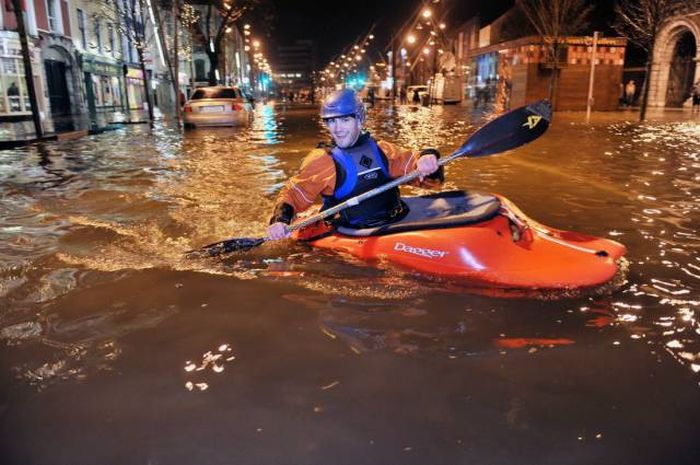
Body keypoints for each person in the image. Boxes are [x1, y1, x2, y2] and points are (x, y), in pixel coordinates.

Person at [267, 88, 443, 240]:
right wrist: (280, 220)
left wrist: (427, 158)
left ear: (359, 120)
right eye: (332, 121)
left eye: (345, 120)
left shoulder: (382, 149)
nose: (337, 129)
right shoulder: (322, 160)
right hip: (349, 232)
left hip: (395, 219)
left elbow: (424, 175)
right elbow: (293, 194)